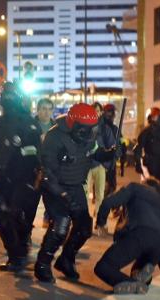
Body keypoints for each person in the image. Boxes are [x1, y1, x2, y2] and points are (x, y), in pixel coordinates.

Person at [34, 103, 115, 283]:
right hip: (55, 187)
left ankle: (66, 259)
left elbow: (93, 153)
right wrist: (62, 195)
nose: (90, 134)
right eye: (87, 130)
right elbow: (47, 173)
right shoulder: (54, 137)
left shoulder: (88, 136)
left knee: (84, 226)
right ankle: (42, 264)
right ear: (76, 126)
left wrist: (108, 154)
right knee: (60, 225)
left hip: (76, 184)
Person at [0, 82, 42, 272]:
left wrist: (39, 173)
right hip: (1, 177)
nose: (8, 100)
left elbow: (38, 151)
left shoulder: (29, 123)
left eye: (12, 96)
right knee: (1, 214)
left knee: (19, 216)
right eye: (6, 96)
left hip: (25, 178)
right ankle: (15, 255)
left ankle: (20, 249)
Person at [94, 178, 160, 295]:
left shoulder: (135, 188)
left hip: (140, 234)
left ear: (144, 185)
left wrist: (101, 223)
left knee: (103, 267)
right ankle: (141, 271)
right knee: (136, 270)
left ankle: (132, 283)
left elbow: (108, 202)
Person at [134, 107, 160, 194]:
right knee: (150, 188)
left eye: (159, 116)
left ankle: (157, 205)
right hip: (149, 165)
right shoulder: (146, 132)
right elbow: (138, 148)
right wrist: (138, 164)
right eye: (156, 116)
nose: (158, 118)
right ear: (150, 117)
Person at [35, 98, 56, 228]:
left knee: (51, 197)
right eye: (43, 108)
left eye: (49, 109)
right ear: (38, 110)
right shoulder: (31, 125)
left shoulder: (56, 127)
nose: (46, 112)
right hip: (34, 167)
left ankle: (48, 219)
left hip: (51, 167)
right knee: (32, 199)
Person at [86, 102, 107, 218]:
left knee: (100, 194)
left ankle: (99, 219)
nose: (96, 113)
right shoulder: (84, 125)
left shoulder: (105, 127)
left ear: (101, 112)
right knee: (85, 194)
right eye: (94, 110)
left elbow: (111, 145)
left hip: (100, 165)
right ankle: (86, 219)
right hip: (86, 165)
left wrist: (107, 164)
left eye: (98, 111)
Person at [101, 103, 121, 197]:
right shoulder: (101, 128)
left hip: (112, 164)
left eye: (113, 112)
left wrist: (118, 153)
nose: (112, 114)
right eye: (110, 111)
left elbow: (119, 145)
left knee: (112, 187)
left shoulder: (115, 128)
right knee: (103, 188)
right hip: (102, 164)